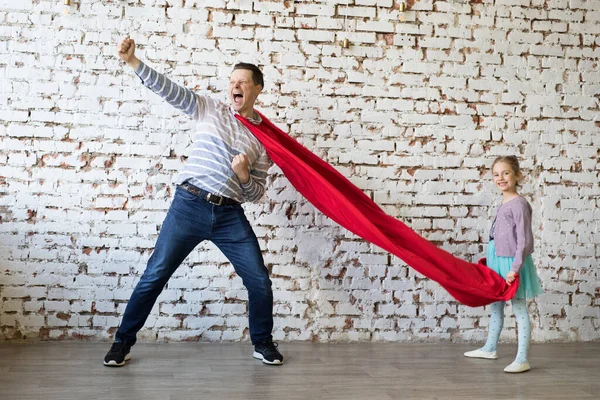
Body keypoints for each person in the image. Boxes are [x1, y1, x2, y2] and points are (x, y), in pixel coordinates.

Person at [103, 37, 283, 367]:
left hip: (229, 215)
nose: (235, 86)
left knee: (259, 280)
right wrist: (133, 62)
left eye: (242, 82)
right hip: (189, 205)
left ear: (257, 89)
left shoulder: (263, 140)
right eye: (231, 81)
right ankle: (122, 343)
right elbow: (170, 90)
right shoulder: (209, 108)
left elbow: (256, 194)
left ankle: (263, 343)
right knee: (155, 275)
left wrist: (244, 174)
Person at [464, 155, 543, 373]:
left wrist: (514, 268)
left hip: (510, 262)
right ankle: (490, 348)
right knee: (496, 304)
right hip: (495, 258)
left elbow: (524, 240)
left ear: (517, 175)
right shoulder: (504, 202)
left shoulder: (519, 204)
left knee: (518, 307)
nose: (500, 178)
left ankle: (522, 358)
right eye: (496, 174)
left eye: (505, 173)